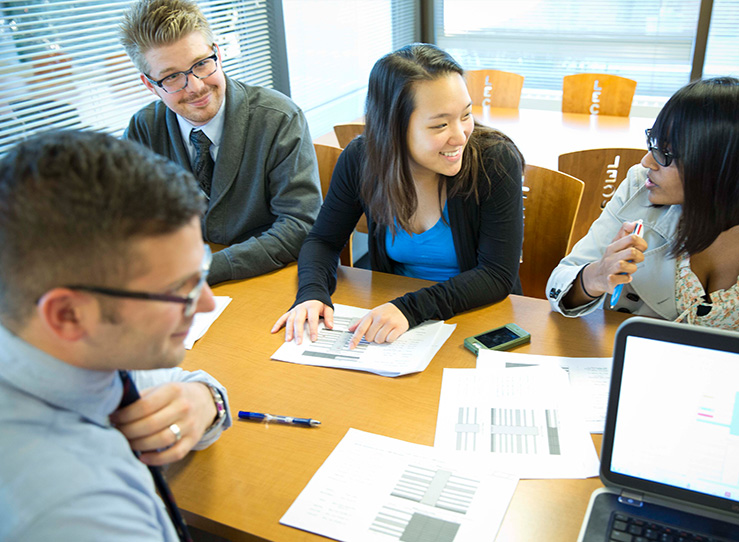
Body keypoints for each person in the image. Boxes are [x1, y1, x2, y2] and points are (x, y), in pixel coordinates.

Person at [0, 130, 232, 541]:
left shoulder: (55, 349)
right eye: (181, 289)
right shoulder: (78, 513)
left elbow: (176, 385)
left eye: (201, 274)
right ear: (69, 314)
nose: (206, 304)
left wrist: (203, 402)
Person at [272, 43, 524, 347]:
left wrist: (409, 308)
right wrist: (312, 293)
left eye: (466, 114)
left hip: (474, 319)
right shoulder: (362, 159)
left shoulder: (494, 160)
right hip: (398, 321)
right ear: (394, 128)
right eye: (440, 124)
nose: (460, 136)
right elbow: (323, 241)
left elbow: (497, 275)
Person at [119, 0, 322, 285]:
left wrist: (205, 270)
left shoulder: (279, 118)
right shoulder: (143, 129)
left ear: (218, 54)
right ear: (150, 84)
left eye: (202, 63)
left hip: (268, 278)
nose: (197, 86)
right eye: (173, 77)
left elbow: (300, 225)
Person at [547, 77, 739, 329]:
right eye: (654, 143)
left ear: (719, 167)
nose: (647, 161)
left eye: (666, 154)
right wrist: (595, 276)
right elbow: (558, 283)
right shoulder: (640, 187)